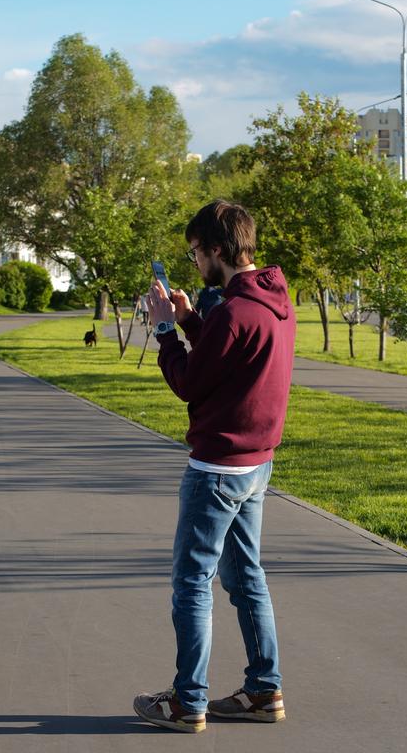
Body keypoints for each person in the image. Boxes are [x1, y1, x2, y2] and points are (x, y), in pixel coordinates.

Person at [133, 200, 295, 734]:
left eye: (198, 252)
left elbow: (189, 383)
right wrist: (191, 319)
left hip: (216, 469)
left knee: (192, 583)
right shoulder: (270, 300)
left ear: (219, 250)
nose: (195, 262)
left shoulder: (233, 311)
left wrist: (163, 332)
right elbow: (227, 358)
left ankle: (187, 702)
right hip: (256, 465)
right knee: (246, 576)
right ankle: (263, 690)